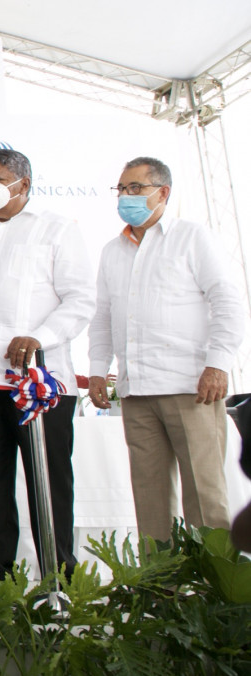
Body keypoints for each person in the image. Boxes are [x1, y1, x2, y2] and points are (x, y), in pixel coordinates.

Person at [0, 148, 94, 579]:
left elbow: (80, 299)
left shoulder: (57, 229)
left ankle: (59, 582)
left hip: (41, 386)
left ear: (23, 184)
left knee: (49, 487)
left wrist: (40, 337)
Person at [87, 157, 245, 541]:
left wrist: (218, 364)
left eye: (135, 188)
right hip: (135, 392)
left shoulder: (192, 237)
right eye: (121, 189)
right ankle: (160, 578)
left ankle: (213, 579)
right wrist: (96, 370)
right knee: (150, 501)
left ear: (163, 193)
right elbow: (103, 317)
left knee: (205, 497)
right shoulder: (112, 251)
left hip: (191, 387)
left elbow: (228, 302)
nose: (125, 196)